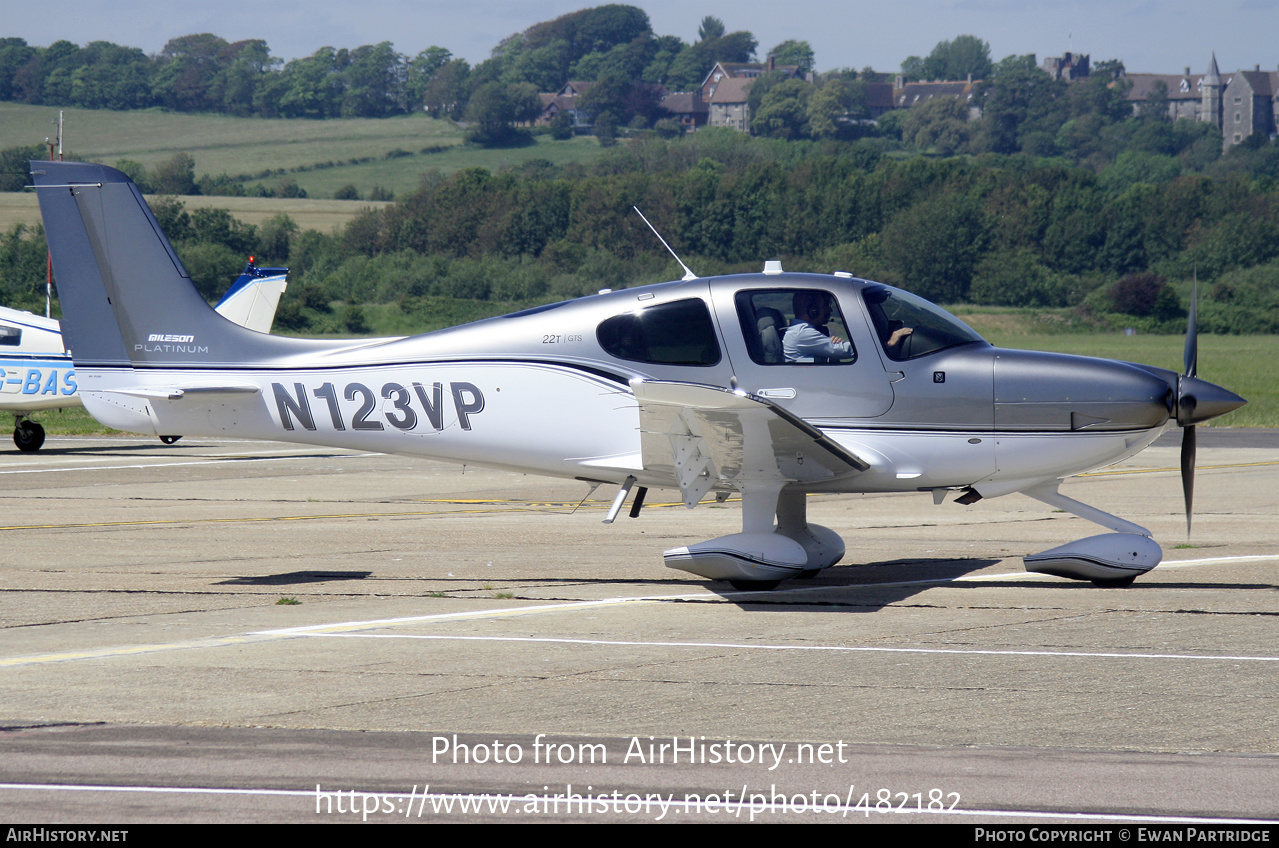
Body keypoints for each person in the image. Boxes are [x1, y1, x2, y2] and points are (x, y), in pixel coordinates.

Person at [783, 291, 854, 363]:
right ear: (813, 310)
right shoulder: (802, 333)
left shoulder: (798, 331)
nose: (830, 310)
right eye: (826, 305)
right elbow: (845, 350)